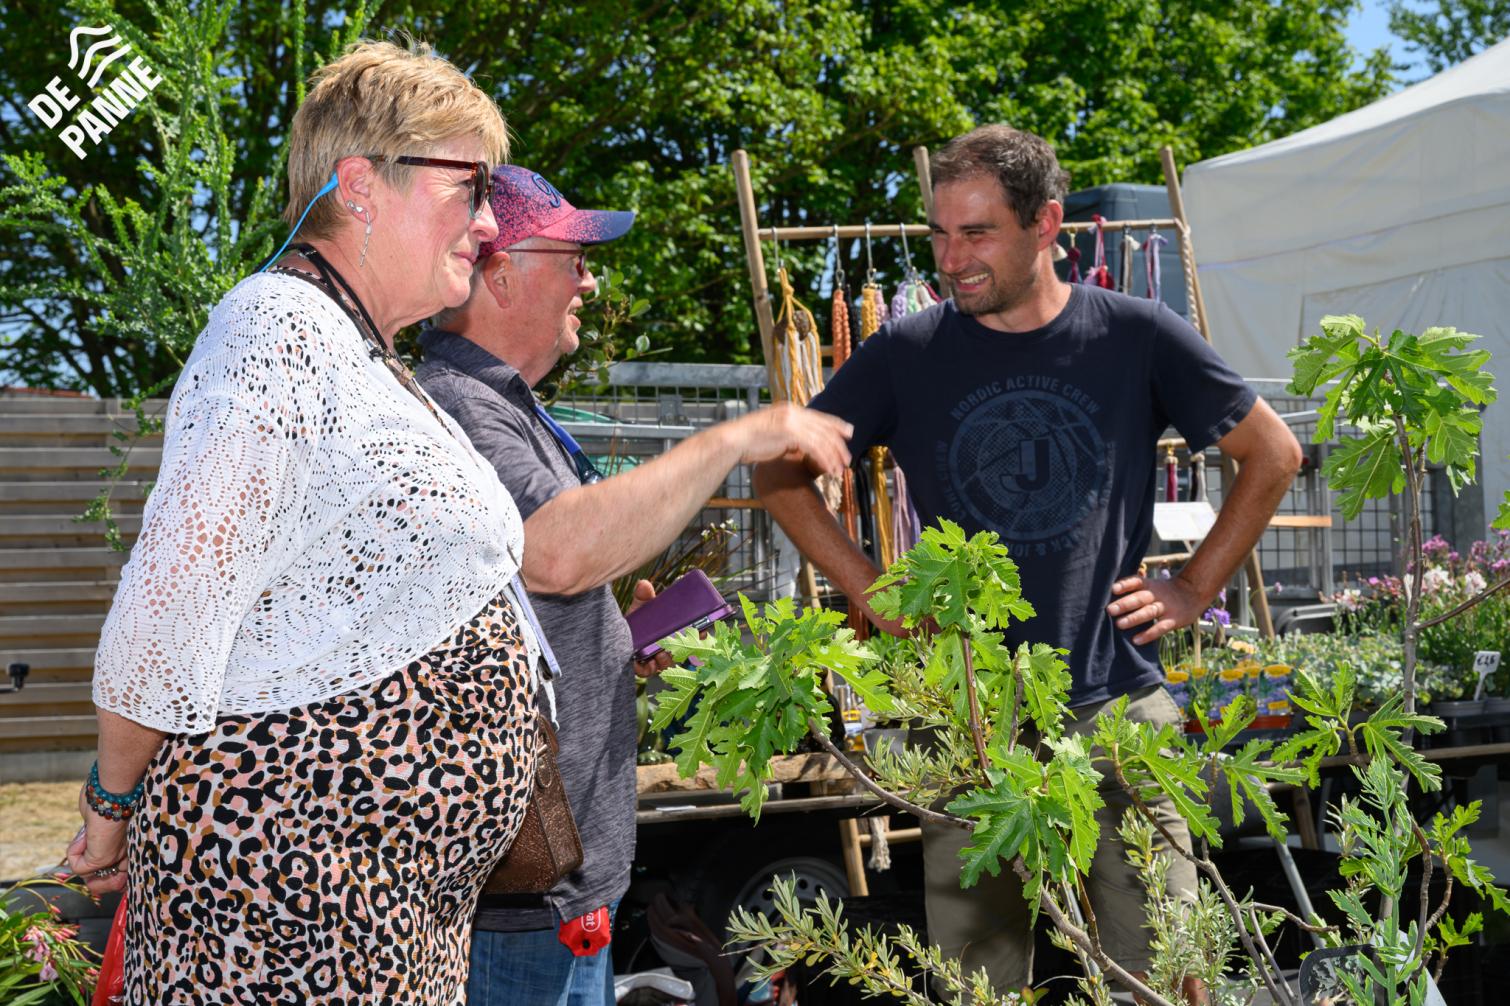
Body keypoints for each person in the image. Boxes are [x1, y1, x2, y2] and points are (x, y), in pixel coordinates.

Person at [754, 124, 1302, 997]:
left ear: (1046, 224)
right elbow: (778, 474)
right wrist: (869, 588)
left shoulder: (1135, 334)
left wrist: (1195, 585)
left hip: (1117, 709)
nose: (951, 259)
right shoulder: (907, 351)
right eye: (940, 234)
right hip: (969, 719)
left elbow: (1272, 453)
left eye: (977, 233)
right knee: (979, 985)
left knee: (1170, 977)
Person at [67, 39, 548, 1003]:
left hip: (372, 905)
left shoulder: (362, 353)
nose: (490, 222)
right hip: (286, 904)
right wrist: (109, 806)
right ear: (361, 185)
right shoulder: (276, 331)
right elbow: (170, 605)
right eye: (469, 186)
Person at [414, 165, 853, 1006]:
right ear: (498, 275)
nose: (590, 281)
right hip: (516, 908)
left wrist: (613, 637)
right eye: (573, 258)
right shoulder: (460, 407)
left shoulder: (508, 406)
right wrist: (735, 438)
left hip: (555, 887)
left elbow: (530, 589)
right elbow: (556, 552)